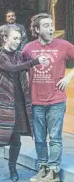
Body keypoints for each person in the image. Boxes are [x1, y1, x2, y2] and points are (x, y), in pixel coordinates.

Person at [0, 25, 46, 182]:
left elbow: (23, 61)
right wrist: (35, 62)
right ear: (5, 38)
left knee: (16, 140)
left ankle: (12, 169)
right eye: (15, 38)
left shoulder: (19, 55)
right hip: (3, 103)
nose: (18, 41)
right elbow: (13, 69)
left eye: (19, 38)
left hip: (19, 103)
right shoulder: (0, 57)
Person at [21, 13, 74, 182]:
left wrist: (69, 77)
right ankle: (42, 168)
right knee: (39, 138)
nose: (51, 28)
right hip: (36, 101)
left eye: (51, 25)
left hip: (56, 100)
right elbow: (20, 67)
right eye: (46, 25)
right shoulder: (28, 48)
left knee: (55, 137)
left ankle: (54, 171)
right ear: (36, 29)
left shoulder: (63, 45)